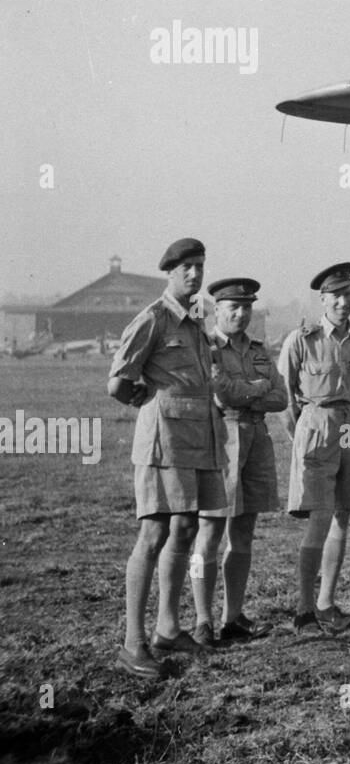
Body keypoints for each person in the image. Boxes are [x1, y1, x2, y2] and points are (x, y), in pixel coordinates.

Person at [108, 238, 224, 676]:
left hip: (196, 440)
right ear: (169, 273)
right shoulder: (153, 319)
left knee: (186, 526)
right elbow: (118, 381)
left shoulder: (195, 324)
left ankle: (167, 629)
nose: (194, 274)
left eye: (199, 266)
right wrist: (143, 400)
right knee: (154, 533)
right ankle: (133, 644)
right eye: (186, 268)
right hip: (163, 442)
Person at [278, 262, 350, 633]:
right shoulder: (301, 339)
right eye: (335, 296)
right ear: (323, 299)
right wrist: (302, 438)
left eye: (348, 294)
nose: (342, 302)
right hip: (315, 428)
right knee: (319, 518)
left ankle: (327, 603)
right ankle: (304, 609)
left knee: (342, 515)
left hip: (349, 426)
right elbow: (285, 399)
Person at [192, 276, 287, 646]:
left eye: (247, 307)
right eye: (234, 307)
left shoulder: (260, 350)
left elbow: (281, 397)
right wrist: (256, 390)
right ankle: (202, 621)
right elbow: (222, 394)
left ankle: (233, 617)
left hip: (257, 441)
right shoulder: (208, 348)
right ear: (218, 309)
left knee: (243, 533)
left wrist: (249, 393)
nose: (241, 314)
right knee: (209, 533)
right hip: (222, 441)